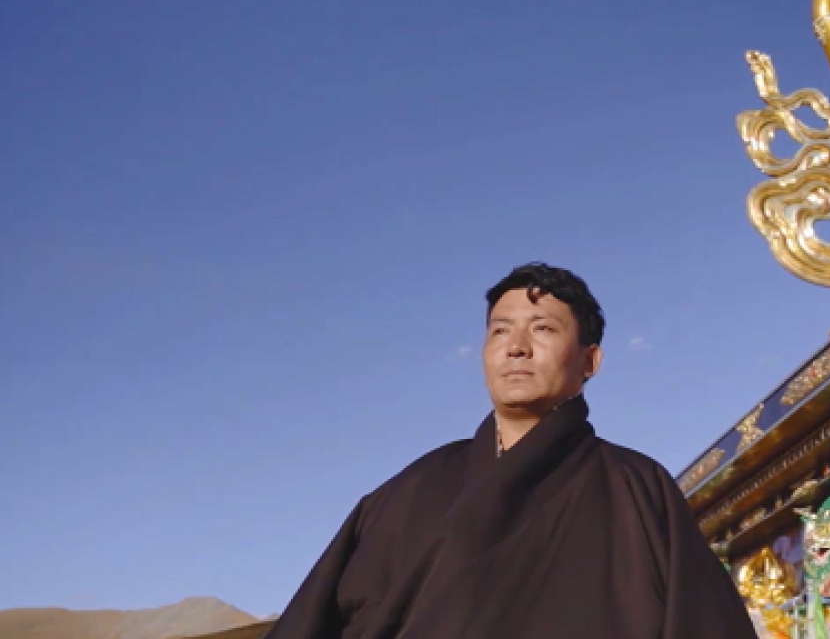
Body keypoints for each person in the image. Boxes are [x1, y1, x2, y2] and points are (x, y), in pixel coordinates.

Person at [266, 263, 759, 639]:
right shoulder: (411, 490)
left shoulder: (637, 489)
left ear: (590, 361)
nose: (515, 347)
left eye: (543, 329)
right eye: (500, 331)